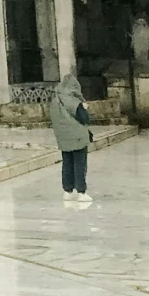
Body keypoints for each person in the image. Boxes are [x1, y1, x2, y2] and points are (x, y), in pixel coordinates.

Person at [49, 71, 93, 207]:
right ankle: (81, 192)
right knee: (80, 164)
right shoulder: (74, 101)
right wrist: (84, 108)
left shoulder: (55, 100)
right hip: (78, 137)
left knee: (67, 163)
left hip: (63, 137)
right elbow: (84, 119)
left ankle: (68, 191)